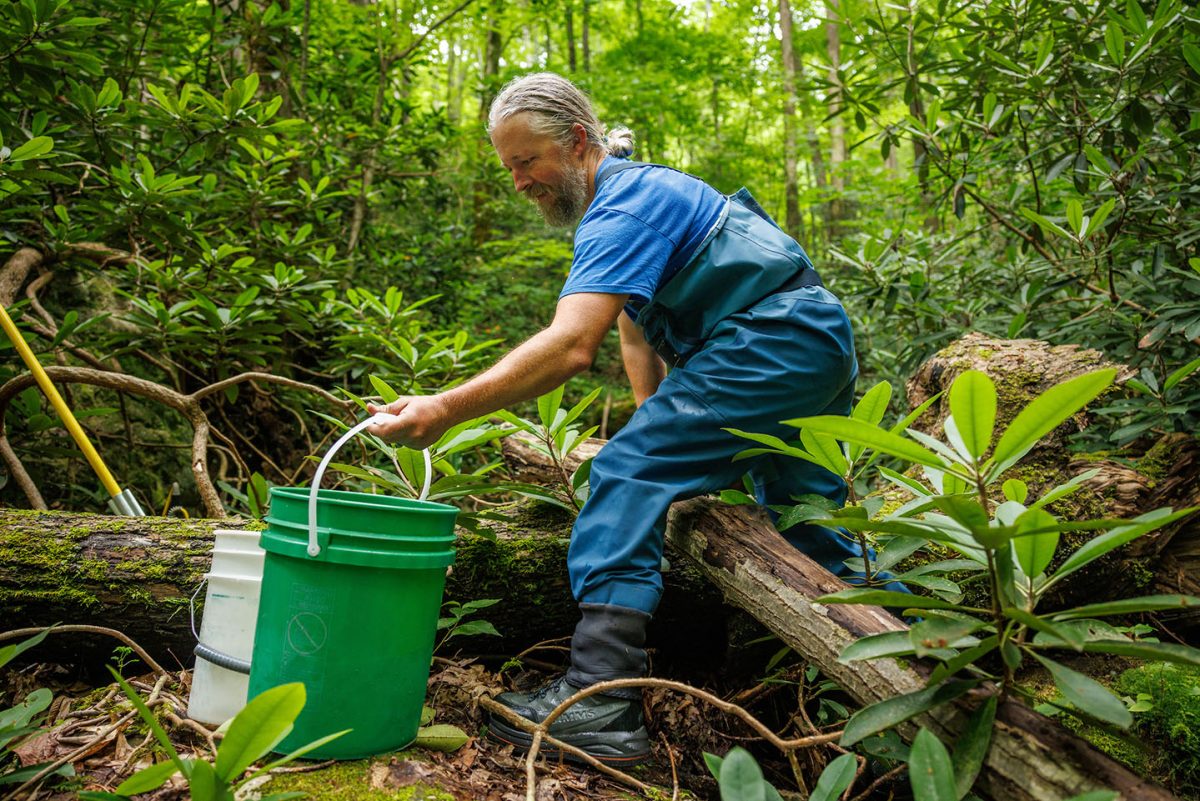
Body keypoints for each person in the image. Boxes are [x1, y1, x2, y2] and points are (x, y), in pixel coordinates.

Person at [367, 72, 868, 766]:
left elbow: (575, 345)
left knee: (625, 468)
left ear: (577, 142)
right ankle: (931, 651)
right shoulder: (642, 195)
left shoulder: (623, 207)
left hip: (769, 342)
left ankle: (599, 694)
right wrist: (657, 422)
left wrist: (444, 409)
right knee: (811, 526)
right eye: (508, 166)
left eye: (527, 160)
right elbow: (636, 334)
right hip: (807, 340)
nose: (518, 181)